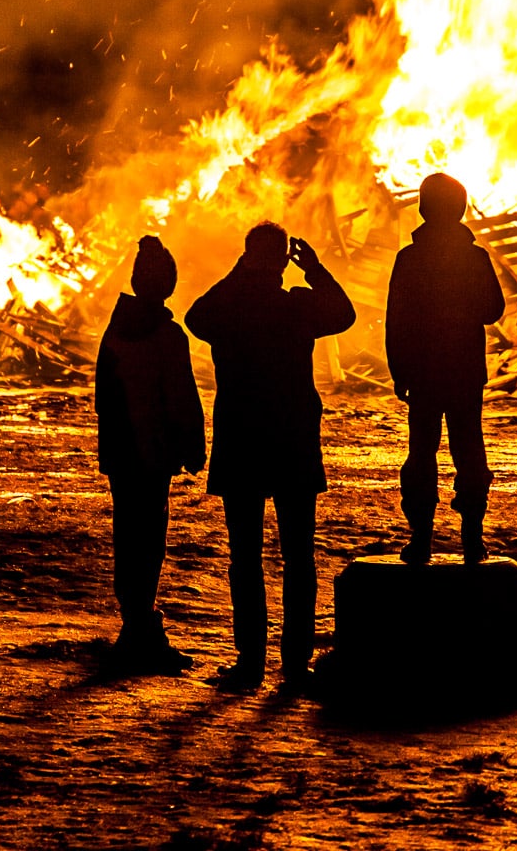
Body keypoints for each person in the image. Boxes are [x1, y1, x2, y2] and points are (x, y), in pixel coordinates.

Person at [185, 222, 355, 691]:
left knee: (246, 557)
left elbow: (195, 316)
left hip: (242, 442)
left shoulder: (231, 307)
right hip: (292, 440)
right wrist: (315, 270)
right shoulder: (296, 307)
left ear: (245, 258)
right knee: (299, 556)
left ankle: (250, 662)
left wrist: (242, 271)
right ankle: (296, 663)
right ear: (284, 261)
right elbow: (344, 314)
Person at [95, 235, 206, 675]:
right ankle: (142, 632)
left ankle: (135, 624)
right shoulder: (166, 334)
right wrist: (192, 447)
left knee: (129, 539)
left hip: (123, 453)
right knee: (149, 543)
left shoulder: (115, 329)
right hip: (152, 454)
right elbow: (180, 396)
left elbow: (105, 396)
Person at [385, 172, 506, 565]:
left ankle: (420, 539)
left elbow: (396, 319)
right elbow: (493, 311)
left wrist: (399, 371)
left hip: (422, 372)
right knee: (469, 451)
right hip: (465, 371)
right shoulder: (475, 258)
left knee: (421, 453)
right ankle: (473, 538)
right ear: (461, 209)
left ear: (422, 208)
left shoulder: (410, 258)